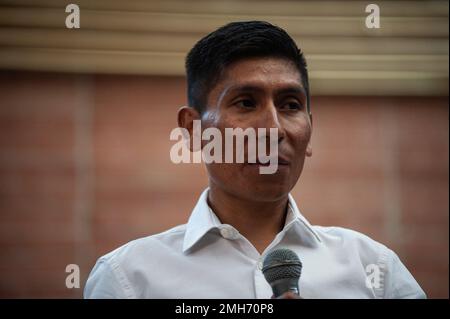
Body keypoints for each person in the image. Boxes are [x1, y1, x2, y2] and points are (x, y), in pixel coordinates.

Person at [84, 21, 426, 299]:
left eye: (290, 105)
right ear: (194, 129)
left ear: (309, 130)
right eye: (246, 103)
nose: (274, 129)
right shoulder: (129, 278)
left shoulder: (375, 272)